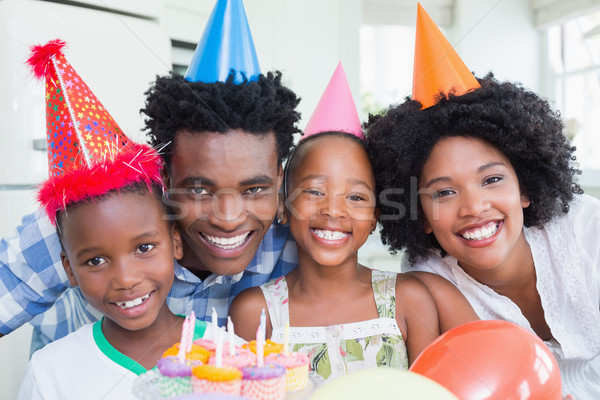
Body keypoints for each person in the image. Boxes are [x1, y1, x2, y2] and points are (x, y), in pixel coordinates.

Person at [0, 0, 301, 352]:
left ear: (279, 183)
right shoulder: (96, 213)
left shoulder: (295, 244)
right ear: (165, 179)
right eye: (201, 190)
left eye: (254, 189)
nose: (229, 218)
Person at [366, 6, 600, 398]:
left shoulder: (586, 230)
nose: (473, 206)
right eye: (443, 192)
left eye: (491, 180)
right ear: (419, 214)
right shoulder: (430, 283)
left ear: (524, 188)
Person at [229, 64, 478, 381]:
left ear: (376, 215)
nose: (333, 211)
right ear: (283, 206)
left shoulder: (408, 299)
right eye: (315, 191)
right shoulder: (255, 312)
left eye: (356, 197)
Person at [17, 40, 212, 400]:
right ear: (69, 269)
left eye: (143, 247)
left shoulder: (233, 355)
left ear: (175, 242)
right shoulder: (49, 373)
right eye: (95, 260)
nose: (125, 279)